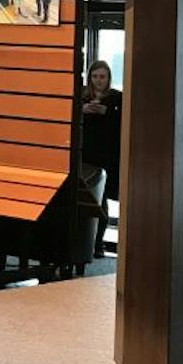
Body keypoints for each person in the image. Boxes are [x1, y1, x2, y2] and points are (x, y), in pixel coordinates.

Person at [78, 59, 122, 257]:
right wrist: (83, 111)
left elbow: (124, 120)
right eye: (95, 76)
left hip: (106, 154)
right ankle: (85, 242)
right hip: (85, 152)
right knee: (85, 199)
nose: (98, 81)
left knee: (101, 198)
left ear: (109, 78)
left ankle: (98, 243)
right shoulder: (81, 96)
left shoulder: (116, 99)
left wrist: (106, 112)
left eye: (102, 77)